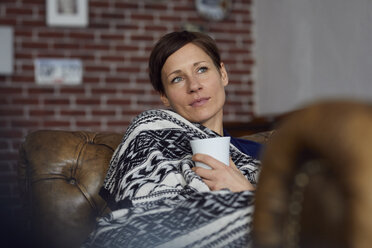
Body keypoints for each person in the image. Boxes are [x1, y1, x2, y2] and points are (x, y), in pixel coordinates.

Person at [83, 31, 262, 248]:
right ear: (164, 96)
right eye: (177, 78)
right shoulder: (147, 135)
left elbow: (298, 224)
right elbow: (144, 226)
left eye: (202, 69)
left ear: (222, 74)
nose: (194, 85)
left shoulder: (262, 155)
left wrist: (246, 192)